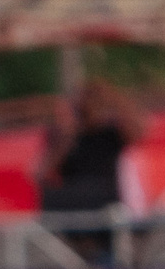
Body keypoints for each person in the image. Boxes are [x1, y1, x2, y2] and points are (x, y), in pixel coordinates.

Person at [37, 79, 144, 217]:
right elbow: (40, 173)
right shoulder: (63, 134)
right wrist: (68, 135)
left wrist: (113, 101)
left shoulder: (111, 132)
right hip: (72, 197)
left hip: (104, 199)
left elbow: (139, 131)